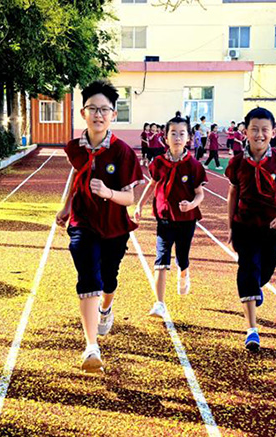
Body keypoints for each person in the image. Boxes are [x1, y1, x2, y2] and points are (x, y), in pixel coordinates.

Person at [56, 80, 144, 373]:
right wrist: (67, 206)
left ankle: (106, 309)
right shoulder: (76, 148)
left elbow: (130, 196)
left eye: (104, 109)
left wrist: (107, 193)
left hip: (114, 226)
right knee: (88, 276)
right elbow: (75, 173)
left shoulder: (122, 153)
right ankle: (91, 346)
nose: (98, 114)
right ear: (83, 113)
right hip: (83, 222)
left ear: (113, 115)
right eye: (93, 109)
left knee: (108, 279)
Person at [225, 107, 276, 352]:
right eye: (254, 129)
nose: (259, 134)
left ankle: (257, 287)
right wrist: (230, 227)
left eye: (264, 130)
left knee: (265, 270)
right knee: (247, 269)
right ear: (245, 132)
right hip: (244, 225)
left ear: (273, 132)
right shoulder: (237, 162)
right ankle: (252, 330)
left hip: (272, 226)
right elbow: (233, 192)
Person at [134, 116, 206, 318]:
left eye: (181, 133)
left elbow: (200, 193)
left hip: (186, 220)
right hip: (164, 218)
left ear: (189, 138)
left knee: (182, 257)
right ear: (165, 138)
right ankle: (159, 303)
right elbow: (152, 184)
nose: (177, 137)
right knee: (161, 258)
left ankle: (184, 273)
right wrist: (140, 205)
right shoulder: (159, 163)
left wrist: (191, 204)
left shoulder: (193, 165)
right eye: (172, 133)